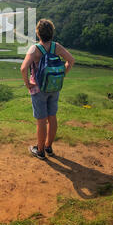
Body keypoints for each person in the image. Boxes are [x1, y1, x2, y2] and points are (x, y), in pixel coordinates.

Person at [21, 19, 75, 160]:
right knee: (52, 118)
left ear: (38, 33)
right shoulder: (56, 47)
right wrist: (61, 76)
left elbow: (23, 68)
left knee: (41, 120)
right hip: (54, 88)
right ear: (52, 32)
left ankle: (40, 151)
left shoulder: (35, 49)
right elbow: (71, 60)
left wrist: (28, 84)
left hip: (38, 89)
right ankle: (48, 147)